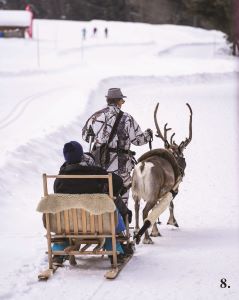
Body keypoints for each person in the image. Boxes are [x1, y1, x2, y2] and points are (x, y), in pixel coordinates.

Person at [52, 141, 132, 265]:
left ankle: (58, 254)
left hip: (71, 225)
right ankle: (116, 251)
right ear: (81, 155)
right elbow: (118, 182)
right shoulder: (95, 172)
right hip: (98, 224)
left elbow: (57, 193)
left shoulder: (60, 179)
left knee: (63, 217)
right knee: (107, 217)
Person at [82, 88, 153, 204]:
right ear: (119, 101)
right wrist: (148, 135)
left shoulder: (96, 117)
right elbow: (138, 141)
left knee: (102, 196)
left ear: (108, 100)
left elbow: (86, 137)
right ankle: (122, 220)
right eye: (122, 101)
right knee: (122, 198)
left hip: (100, 166)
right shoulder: (127, 118)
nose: (122, 104)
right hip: (121, 167)